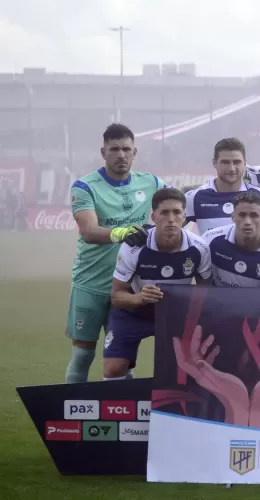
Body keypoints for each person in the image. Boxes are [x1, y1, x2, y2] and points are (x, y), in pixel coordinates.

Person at [64, 123, 169, 383]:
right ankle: (72, 407)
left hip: (126, 287)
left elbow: (178, 204)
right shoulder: (85, 186)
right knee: (82, 356)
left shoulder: (152, 183)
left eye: (126, 149)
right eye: (114, 149)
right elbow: (89, 231)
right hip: (91, 284)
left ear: (135, 152)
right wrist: (122, 233)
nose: (121, 155)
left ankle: (124, 409)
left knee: (123, 361)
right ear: (103, 152)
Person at [103, 188, 212, 380]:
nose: (171, 219)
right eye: (164, 213)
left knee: (182, 369)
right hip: (134, 313)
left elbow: (206, 292)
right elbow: (116, 296)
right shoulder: (134, 246)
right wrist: (140, 298)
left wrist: (187, 305)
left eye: (176, 212)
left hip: (175, 314)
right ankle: (121, 398)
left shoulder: (199, 248)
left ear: (184, 215)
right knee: (113, 369)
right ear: (153, 216)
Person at [184, 138, 260, 237]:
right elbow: (172, 228)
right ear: (214, 163)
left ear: (245, 163)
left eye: (237, 162)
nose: (231, 168)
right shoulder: (195, 197)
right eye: (225, 162)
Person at [202, 190, 260, 288]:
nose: (247, 222)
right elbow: (201, 282)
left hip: (256, 298)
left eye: (254, 215)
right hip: (217, 297)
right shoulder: (210, 239)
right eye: (242, 215)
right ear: (233, 217)